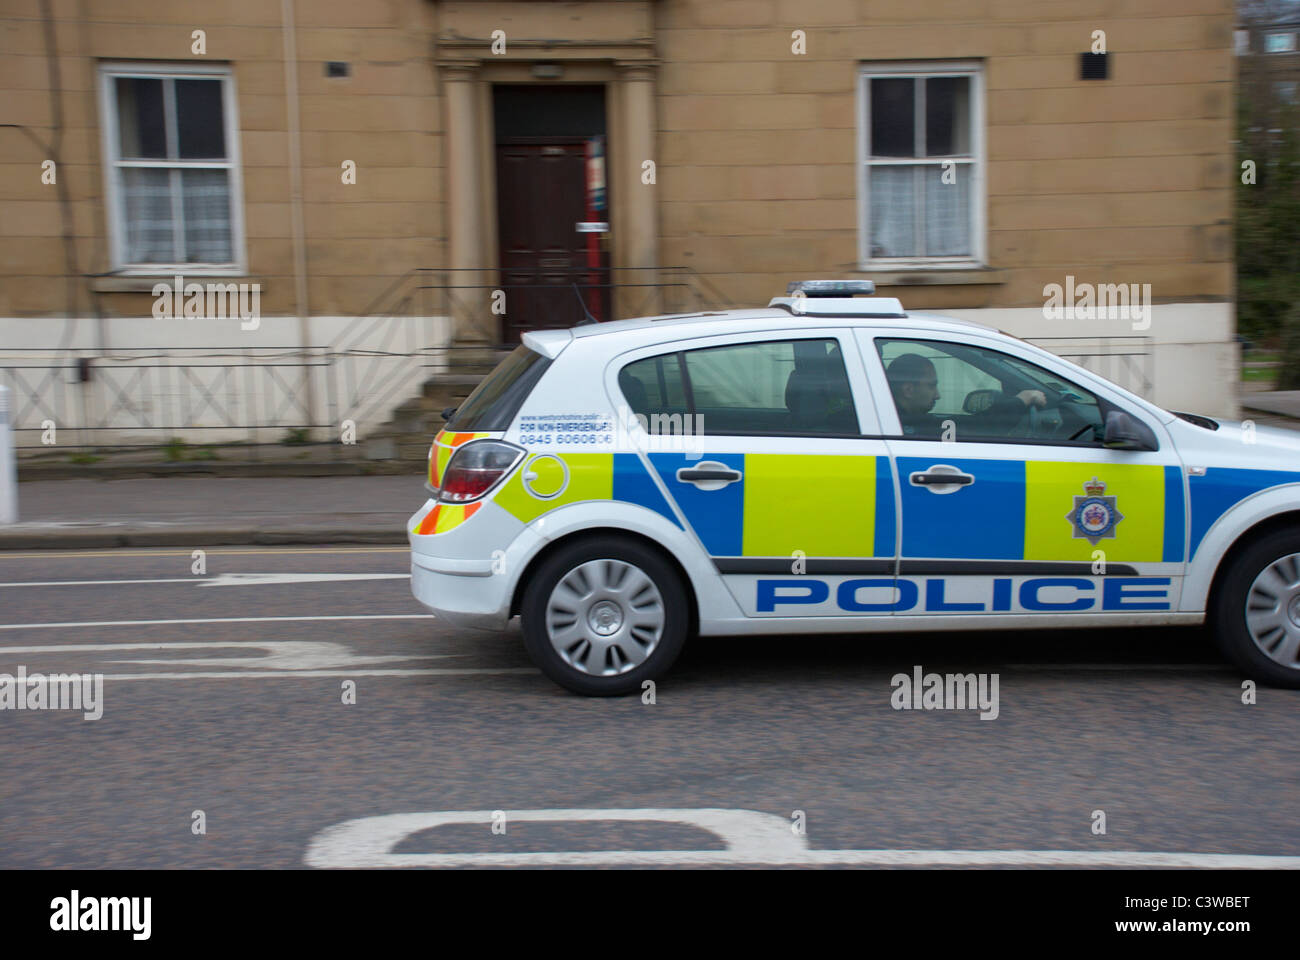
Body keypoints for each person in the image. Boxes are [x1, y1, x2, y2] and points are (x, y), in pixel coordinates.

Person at [885, 353, 1046, 438]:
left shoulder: (895, 420)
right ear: (908, 390)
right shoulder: (909, 425)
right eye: (931, 386)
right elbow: (975, 427)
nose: (938, 395)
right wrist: (1022, 400)